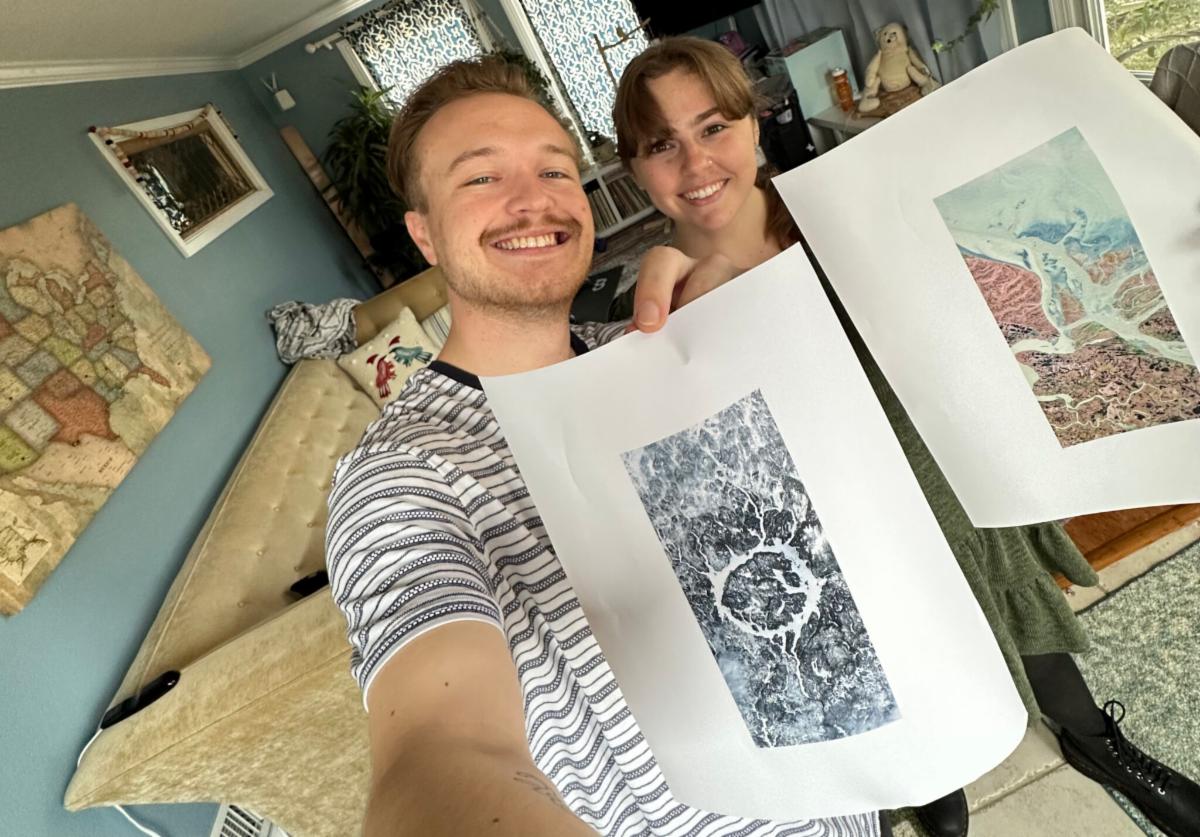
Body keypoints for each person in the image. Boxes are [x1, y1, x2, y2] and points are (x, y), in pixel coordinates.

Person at [612, 36, 1200, 837]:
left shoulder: (854, 207)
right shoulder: (659, 313)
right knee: (908, 672)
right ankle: (936, 787)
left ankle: (1096, 742)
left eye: (713, 126)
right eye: (660, 144)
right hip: (847, 535)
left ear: (753, 124)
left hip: (952, 481)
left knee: (1033, 640)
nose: (693, 160)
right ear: (636, 168)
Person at [325, 56, 886, 837]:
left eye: (554, 170)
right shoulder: (405, 478)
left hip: (849, 799)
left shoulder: (647, 351)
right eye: (481, 179)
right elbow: (439, 748)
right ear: (423, 233)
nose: (532, 201)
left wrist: (741, 351)